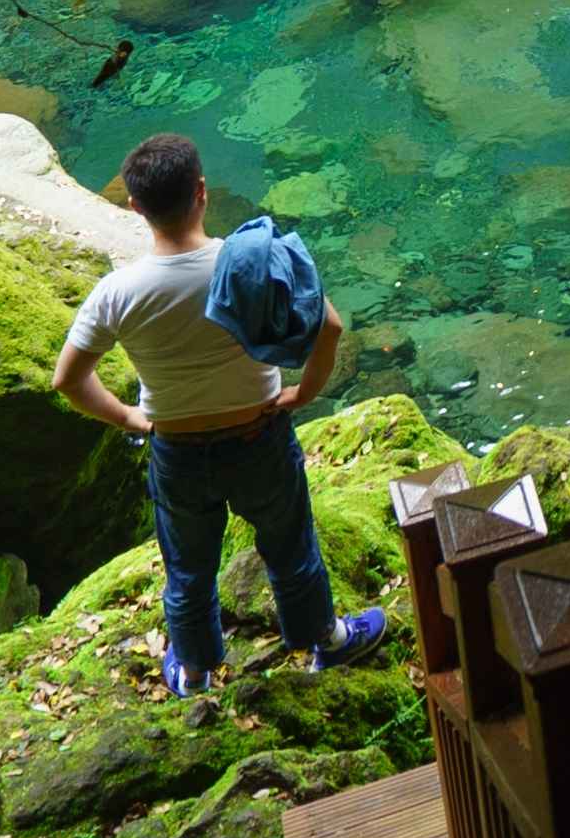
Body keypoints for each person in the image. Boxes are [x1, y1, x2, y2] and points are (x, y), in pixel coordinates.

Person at [55, 133, 390, 693]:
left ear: (135, 206)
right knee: (290, 549)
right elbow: (329, 326)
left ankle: (195, 671)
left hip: (177, 450)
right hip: (259, 434)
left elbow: (68, 378)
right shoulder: (252, 262)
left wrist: (129, 418)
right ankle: (325, 642)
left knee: (188, 571)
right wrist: (304, 394)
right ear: (203, 192)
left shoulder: (118, 293)